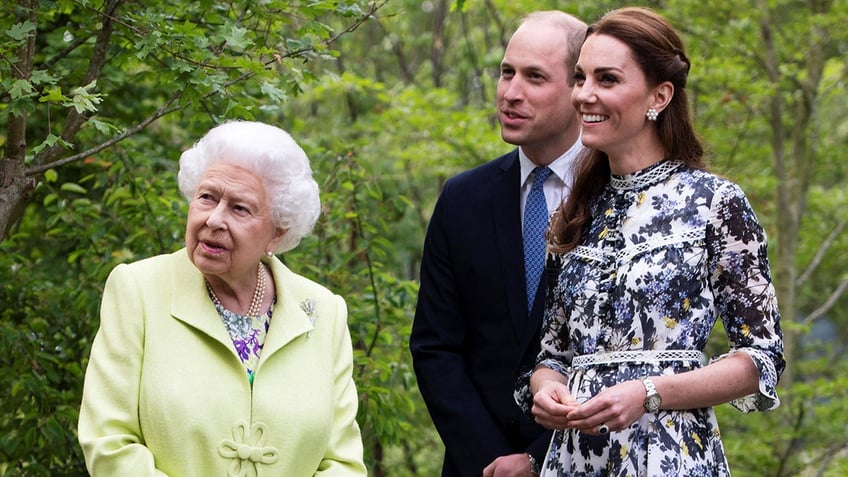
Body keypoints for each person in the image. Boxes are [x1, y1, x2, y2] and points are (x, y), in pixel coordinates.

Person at [515, 7, 785, 476]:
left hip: (671, 455)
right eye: (580, 78)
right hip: (574, 458)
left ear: (659, 95)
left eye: (607, 79)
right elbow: (553, 354)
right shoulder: (576, 210)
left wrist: (649, 393)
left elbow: (761, 358)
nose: (585, 95)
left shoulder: (715, 203)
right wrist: (546, 390)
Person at [77, 121, 367, 476]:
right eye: (207, 197)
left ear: (277, 232)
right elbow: (109, 443)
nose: (214, 219)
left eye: (239, 208)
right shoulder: (138, 289)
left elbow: (343, 462)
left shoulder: (323, 312)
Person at [410, 11, 588, 477]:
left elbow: (630, 357)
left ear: (578, 88)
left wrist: (537, 458)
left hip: (587, 459)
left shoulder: (619, 198)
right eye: (507, 72)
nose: (511, 92)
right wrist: (492, 459)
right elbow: (435, 347)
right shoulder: (463, 198)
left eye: (534, 77)